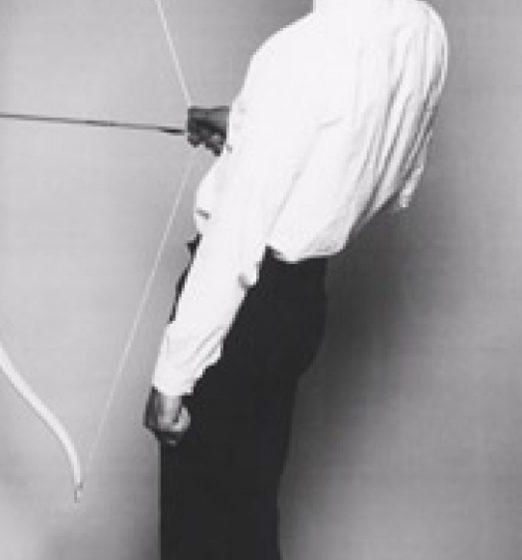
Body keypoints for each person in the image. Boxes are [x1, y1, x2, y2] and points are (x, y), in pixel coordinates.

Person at [143, 0, 448, 558]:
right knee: (249, 517)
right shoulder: (425, 28)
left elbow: (235, 239)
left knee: (200, 534)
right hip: (300, 304)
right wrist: (249, 126)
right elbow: (392, 181)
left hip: (241, 313)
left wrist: (173, 375)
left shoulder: (298, 54)